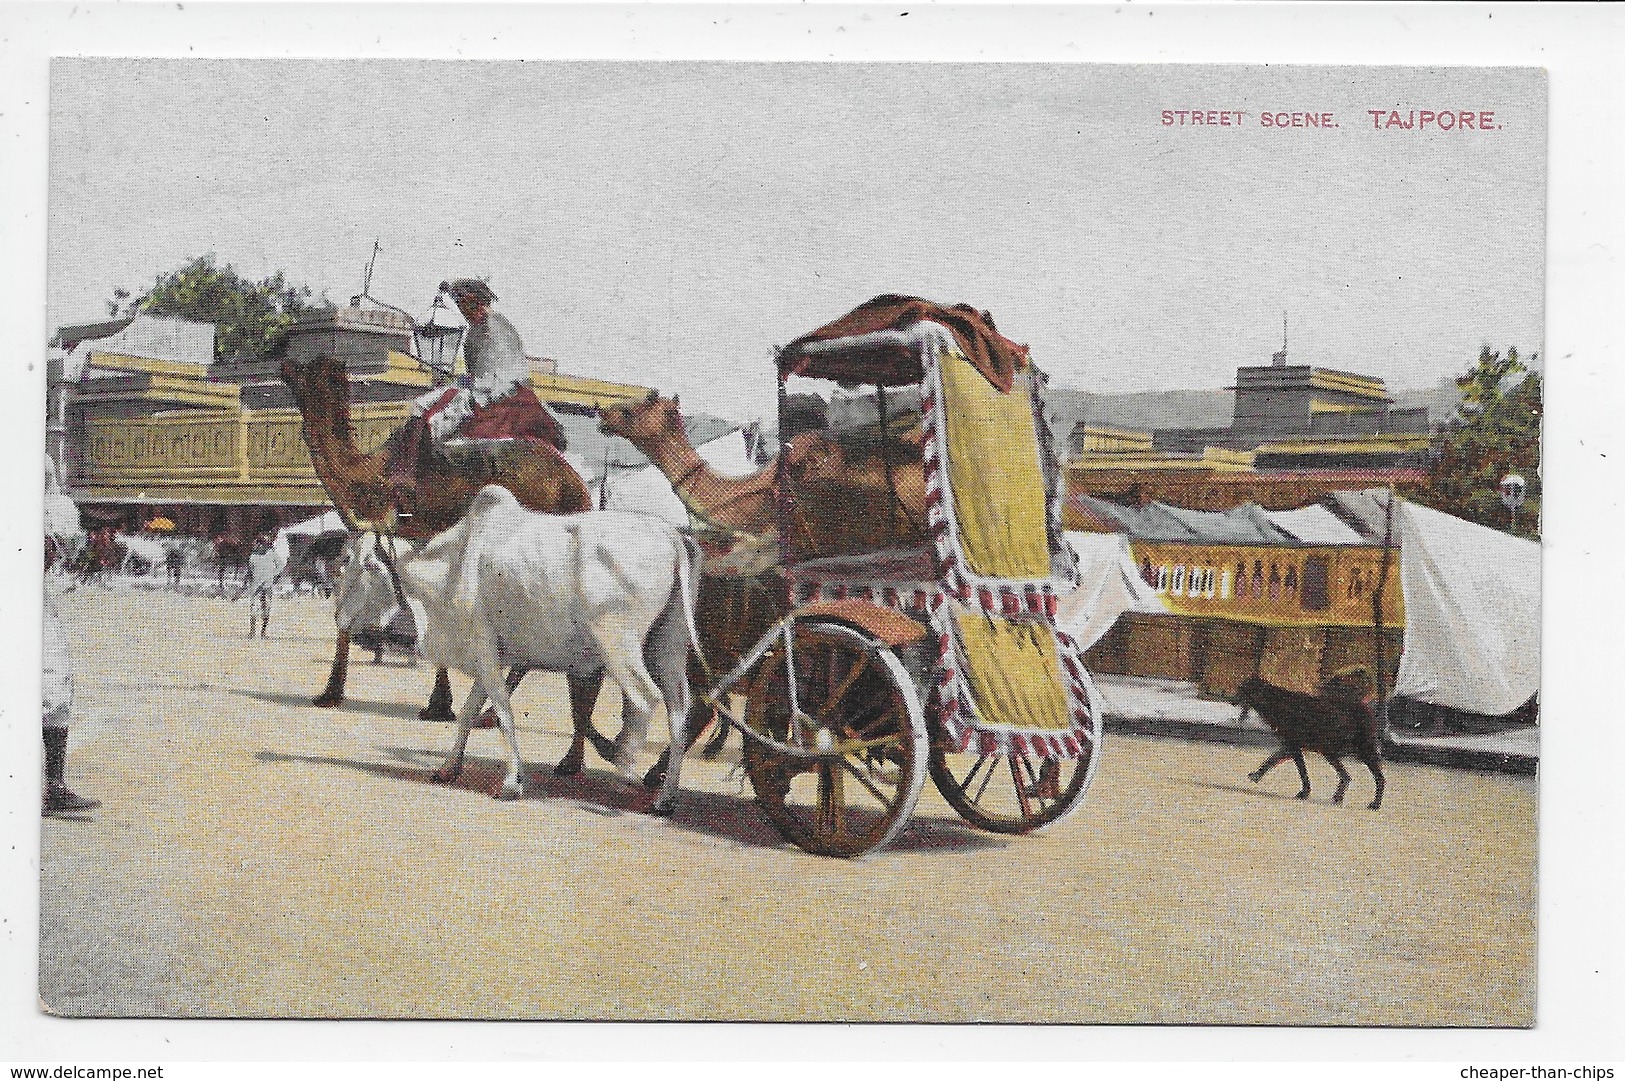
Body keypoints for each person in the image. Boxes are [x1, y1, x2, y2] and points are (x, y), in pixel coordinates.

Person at [386, 278, 567, 509]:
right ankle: (408, 472)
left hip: (502, 393)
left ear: (478, 301)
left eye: (466, 304)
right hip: (482, 387)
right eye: (460, 305)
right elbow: (478, 373)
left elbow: (501, 374)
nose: (464, 310)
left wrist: (467, 389)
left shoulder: (495, 327)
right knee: (422, 405)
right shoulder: (474, 332)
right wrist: (459, 381)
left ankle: (415, 473)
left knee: (434, 415)